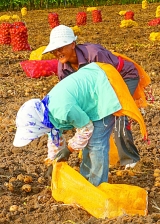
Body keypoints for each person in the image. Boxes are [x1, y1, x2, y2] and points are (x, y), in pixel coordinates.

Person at [13, 62, 147, 186]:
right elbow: (54, 139)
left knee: (96, 143)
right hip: (92, 89)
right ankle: (87, 180)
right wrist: (52, 163)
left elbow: (86, 129)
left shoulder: (63, 109)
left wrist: (69, 150)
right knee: (89, 143)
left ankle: (97, 186)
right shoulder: (46, 113)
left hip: (104, 88)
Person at [42, 24, 147, 169]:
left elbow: (111, 79)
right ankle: (96, 158)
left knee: (119, 113)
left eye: (60, 48)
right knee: (90, 120)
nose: (57, 53)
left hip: (122, 78)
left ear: (73, 44)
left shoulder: (94, 54)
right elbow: (69, 94)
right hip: (99, 88)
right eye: (54, 50)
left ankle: (130, 160)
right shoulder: (63, 68)